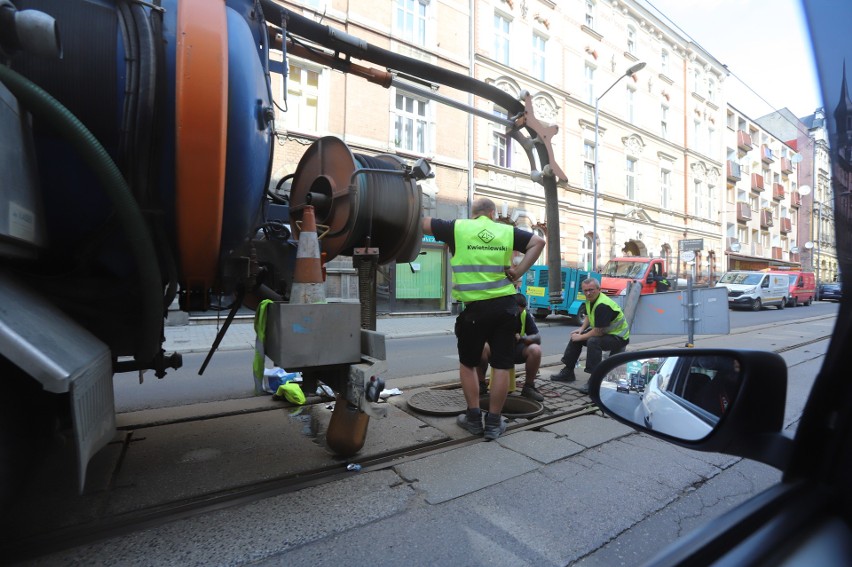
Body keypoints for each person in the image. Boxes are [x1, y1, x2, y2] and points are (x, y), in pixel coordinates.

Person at [422, 198, 545, 440]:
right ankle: (493, 423)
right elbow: (539, 241)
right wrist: (518, 272)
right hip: (506, 307)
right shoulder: (505, 231)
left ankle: (473, 418)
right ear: (492, 214)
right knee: (501, 365)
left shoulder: (458, 228)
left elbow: (422, 223)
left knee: (468, 364)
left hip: (475, 310)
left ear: (473, 214)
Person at [550, 277, 630, 393]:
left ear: (599, 289)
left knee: (593, 341)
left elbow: (598, 331)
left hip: (619, 337)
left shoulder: (603, 305)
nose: (588, 293)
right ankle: (568, 371)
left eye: (591, 290)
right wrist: (581, 330)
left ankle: (594, 380)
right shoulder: (590, 300)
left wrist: (581, 337)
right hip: (607, 333)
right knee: (575, 338)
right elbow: (588, 315)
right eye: (585, 290)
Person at [476, 293, 544, 402]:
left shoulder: (524, 315)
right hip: (495, 350)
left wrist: (521, 338)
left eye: (520, 312)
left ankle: (529, 387)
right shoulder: (496, 313)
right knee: (481, 347)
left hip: (514, 350)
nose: (517, 315)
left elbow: (537, 337)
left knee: (535, 350)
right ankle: (480, 385)